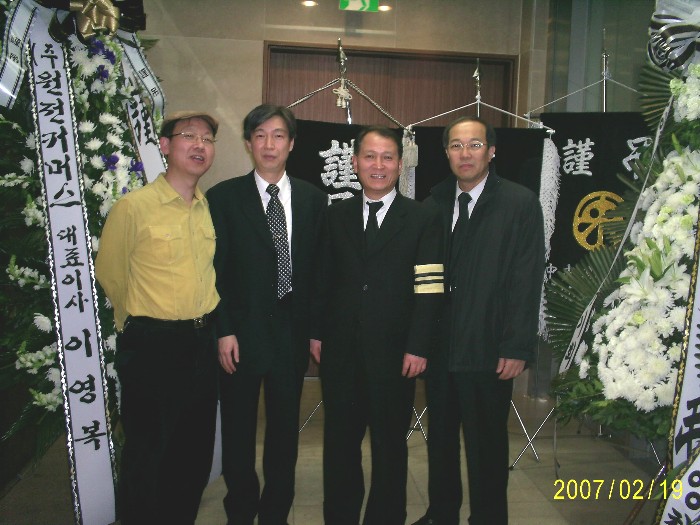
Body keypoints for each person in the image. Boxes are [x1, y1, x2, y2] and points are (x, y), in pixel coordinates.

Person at [412, 116, 545, 525]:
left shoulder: (519, 203)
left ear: (491, 151)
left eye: (474, 145)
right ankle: (442, 514)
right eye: (456, 145)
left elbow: (527, 279)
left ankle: (488, 518)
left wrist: (517, 345)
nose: (465, 154)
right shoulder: (433, 203)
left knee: (486, 445)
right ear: (446, 153)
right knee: (441, 442)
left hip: (489, 348)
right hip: (441, 348)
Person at [95, 111, 220, 524]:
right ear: (165, 145)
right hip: (154, 345)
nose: (200, 145)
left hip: (201, 343)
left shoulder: (205, 207)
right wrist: (145, 324)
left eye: (207, 139)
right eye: (189, 136)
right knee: (148, 455)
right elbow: (110, 274)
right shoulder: (134, 207)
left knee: (193, 456)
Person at [315, 126, 444, 525]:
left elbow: (430, 287)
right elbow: (322, 280)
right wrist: (316, 333)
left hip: (395, 354)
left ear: (400, 165)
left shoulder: (422, 217)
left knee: (390, 448)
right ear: (354, 163)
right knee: (339, 445)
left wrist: (419, 345)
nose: (378, 165)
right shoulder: (335, 215)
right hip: (340, 353)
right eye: (369, 157)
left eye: (387, 157)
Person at [207, 104, 327, 525]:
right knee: (238, 429)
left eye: (278, 135)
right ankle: (240, 507)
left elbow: (319, 273)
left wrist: (316, 331)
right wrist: (223, 330)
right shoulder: (223, 198)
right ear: (248, 144)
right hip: (239, 336)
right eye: (260, 135)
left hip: (291, 334)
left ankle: (276, 509)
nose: (269, 144)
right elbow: (214, 271)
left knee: (284, 429)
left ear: (291, 144)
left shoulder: (314, 199)